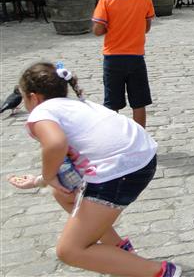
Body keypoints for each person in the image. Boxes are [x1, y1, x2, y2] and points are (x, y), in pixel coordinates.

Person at [7, 62, 181, 276]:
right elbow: (66, 162)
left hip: (121, 171)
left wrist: (47, 175)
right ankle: (119, 251)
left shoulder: (41, 112)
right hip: (142, 157)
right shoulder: (75, 105)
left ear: (33, 97)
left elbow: (55, 145)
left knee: (69, 251)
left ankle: (161, 272)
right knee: (64, 193)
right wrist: (40, 180)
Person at [92, 0, 155, 128]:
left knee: (112, 103)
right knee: (139, 102)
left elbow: (98, 30)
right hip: (136, 57)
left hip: (113, 59)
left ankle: (115, 139)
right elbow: (147, 26)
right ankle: (140, 138)